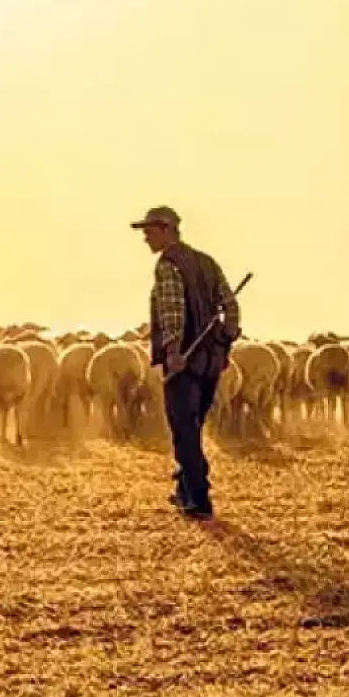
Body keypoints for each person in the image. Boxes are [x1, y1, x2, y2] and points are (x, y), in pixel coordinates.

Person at [130, 205, 241, 518]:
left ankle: (198, 497)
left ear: (167, 229)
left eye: (149, 231)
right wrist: (226, 338)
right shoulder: (206, 262)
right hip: (211, 362)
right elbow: (230, 305)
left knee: (183, 427)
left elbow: (173, 311)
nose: (146, 239)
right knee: (193, 424)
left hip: (186, 362)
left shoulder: (168, 265)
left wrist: (174, 351)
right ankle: (184, 487)